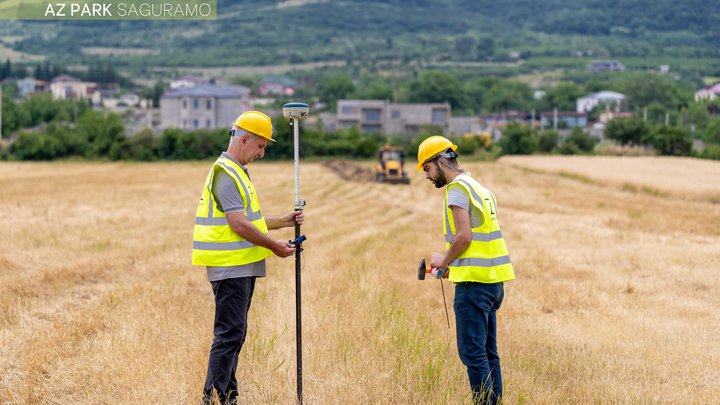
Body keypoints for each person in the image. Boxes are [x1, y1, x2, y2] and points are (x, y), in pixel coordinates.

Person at [192, 110, 304, 404]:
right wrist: (273, 246)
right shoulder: (226, 174)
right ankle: (215, 397)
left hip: (240, 268)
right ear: (244, 139)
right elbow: (238, 225)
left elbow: (250, 220)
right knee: (230, 334)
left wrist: (285, 219)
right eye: (261, 146)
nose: (262, 153)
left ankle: (225, 395)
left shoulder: (237, 172)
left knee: (234, 334)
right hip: (230, 268)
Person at [416, 135, 515, 405]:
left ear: (440, 161)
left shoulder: (456, 189)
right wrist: (453, 266)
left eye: (427, 168)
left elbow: (464, 237)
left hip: (473, 287)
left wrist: (443, 260)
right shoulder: (478, 186)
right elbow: (478, 242)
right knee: (488, 353)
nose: (426, 175)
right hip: (493, 284)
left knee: (473, 354)